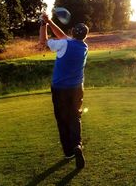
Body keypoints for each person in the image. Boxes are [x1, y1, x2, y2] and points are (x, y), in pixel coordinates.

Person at [39, 13, 89, 169]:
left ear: (73, 32)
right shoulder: (84, 47)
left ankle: (68, 152)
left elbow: (43, 41)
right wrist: (50, 21)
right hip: (77, 88)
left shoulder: (64, 44)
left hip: (60, 89)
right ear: (84, 36)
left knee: (62, 119)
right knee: (75, 117)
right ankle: (78, 145)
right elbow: (62, 36)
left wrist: (43, 23)